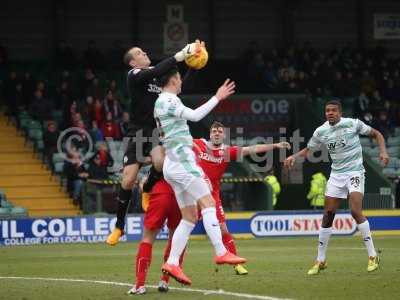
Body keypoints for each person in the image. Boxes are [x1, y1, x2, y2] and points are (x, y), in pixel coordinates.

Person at [154, 67, 246, 285]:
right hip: (183, 161)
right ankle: (221, 251)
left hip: (172, 164)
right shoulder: (170, 100)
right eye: (179, 78)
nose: (181, 82)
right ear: (173, 80)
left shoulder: (160, 102)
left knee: (189, 217)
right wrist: (217, 97)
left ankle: (173, 262)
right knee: (208, 203)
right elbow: (195, 116)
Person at [106, 41, 201, 246]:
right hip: (137, 131)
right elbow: (159, 69)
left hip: (157, 129)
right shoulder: (134, 75)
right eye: (140, 53)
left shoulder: (158, 76)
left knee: (159, 164)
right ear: (133, 62)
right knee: (128, 179)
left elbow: (177, 84)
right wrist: (181, 54)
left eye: (144, 50)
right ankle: (119, 226)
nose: (145, 52)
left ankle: (147, 186)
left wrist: (193, 65)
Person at [284, 100, 389, 275]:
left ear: (340, 112)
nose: (330, 113)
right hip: (336, 175)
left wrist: (383, 151)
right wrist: (294, 157)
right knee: (328, 215)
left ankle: (372, 255)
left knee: (355, 211)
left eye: (333, 110)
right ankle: (321, 260)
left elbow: (377, 134)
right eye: (327, 111)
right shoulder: (321, 131)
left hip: (355, 172)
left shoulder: (352, 124)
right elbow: (309, 150)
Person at [191, 122, 290, 277]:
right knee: (181, 228)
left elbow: (252, 149)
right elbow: (179, 140)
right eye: (214, 131)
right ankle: (173, 264)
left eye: (219, 131)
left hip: (212, 195)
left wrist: (276, 145)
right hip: (193, 192)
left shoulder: (227, 151)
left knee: (224, 229)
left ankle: (236, 264)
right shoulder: (199, 144)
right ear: (210, 134)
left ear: (223, 135)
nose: (216, 133)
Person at [127, 177, 183, 295]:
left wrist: (143, 184)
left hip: (160, 192)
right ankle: (165, 281)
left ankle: (139, 285)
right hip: (180, 195)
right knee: (176, 240)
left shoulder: (157, 159)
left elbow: (145, 184)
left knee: (147, 239)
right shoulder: (188, 158)